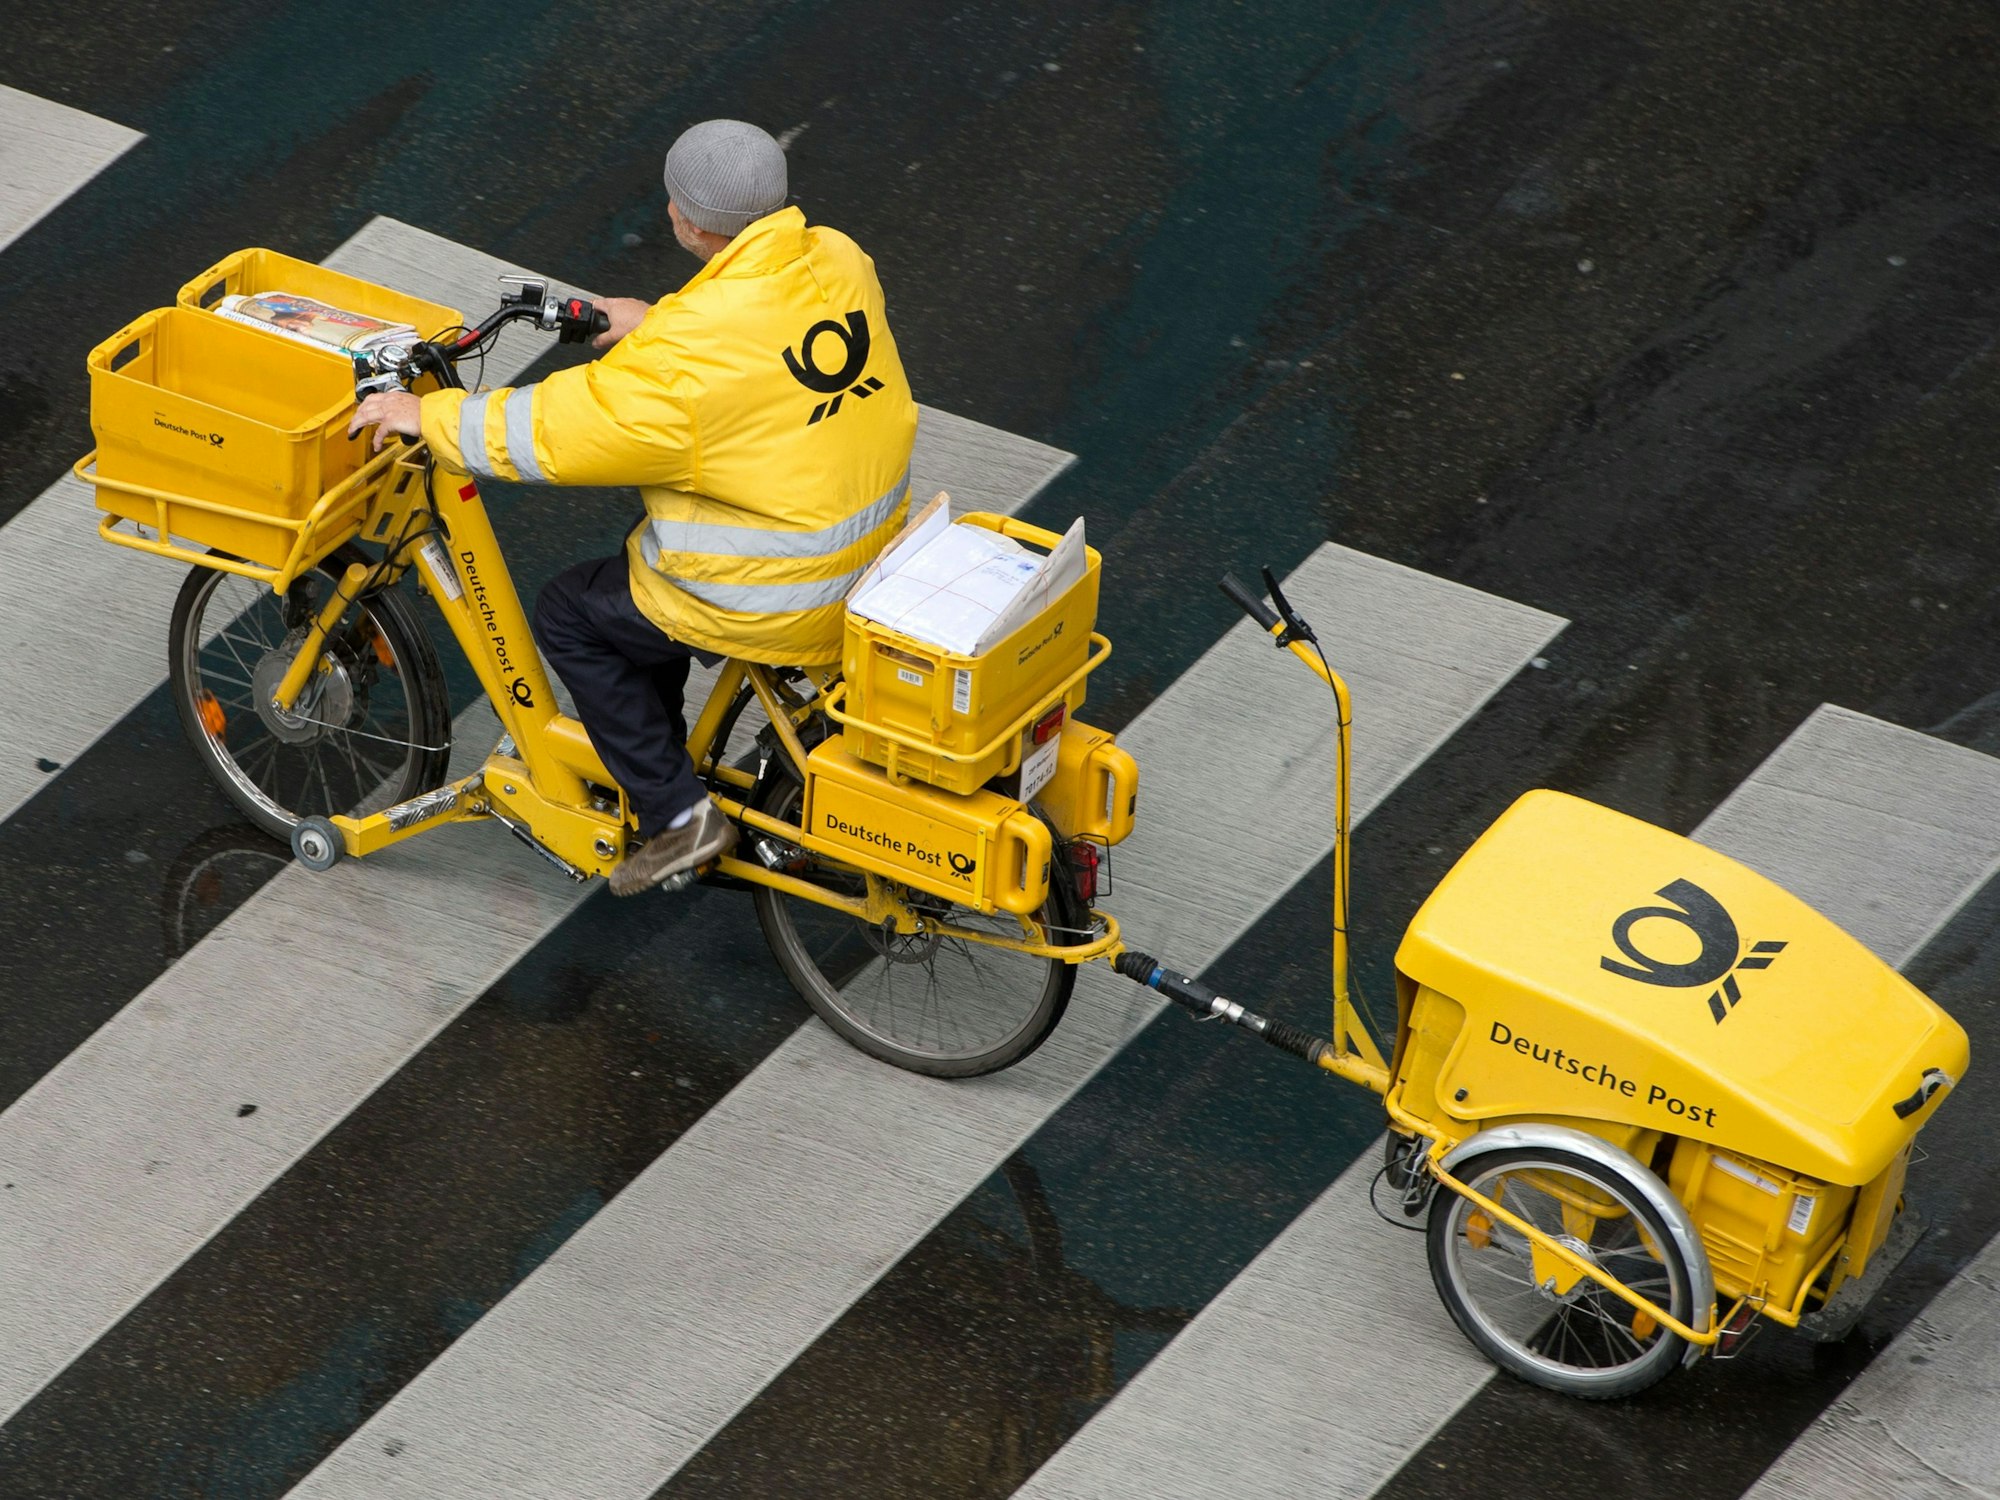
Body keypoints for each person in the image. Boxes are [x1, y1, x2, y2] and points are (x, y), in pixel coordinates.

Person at [349, 119, 919, 895]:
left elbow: (562, 432)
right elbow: (756, 353)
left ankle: (678, 814)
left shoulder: (687, 354)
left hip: (780, 588)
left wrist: (430, 418)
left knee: (570, 613)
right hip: (875, 549)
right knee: (639, 571)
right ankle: (652, 759)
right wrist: (654, 323)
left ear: (688, 219)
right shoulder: (837, 258)